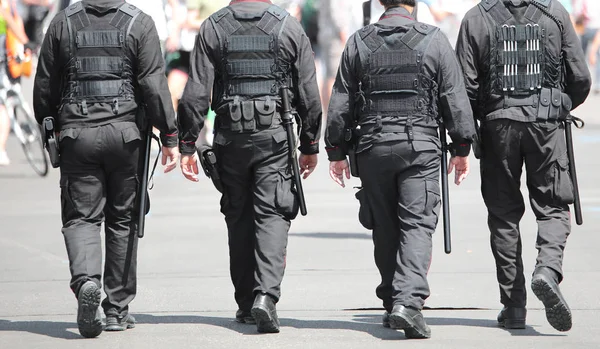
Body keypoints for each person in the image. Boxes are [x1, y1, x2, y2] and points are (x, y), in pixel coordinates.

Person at [325, 0, 475, 339]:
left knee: (385, 226)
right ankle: (407, 303)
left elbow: (341, 100)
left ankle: (394, 299)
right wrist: (462, 147)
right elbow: (454, 95)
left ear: (380, 2)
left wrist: (335, 150)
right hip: (420, 146)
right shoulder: (434, 38)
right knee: (418, 224)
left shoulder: (359, 41)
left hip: (373, 146)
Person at [33, 0, 180, 338]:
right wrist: (170, 135)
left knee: (81, 217)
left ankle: (86, 281)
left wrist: (50, 126)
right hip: (126, 136)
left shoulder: (63, 23)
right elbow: (154, 85)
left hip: (77, 135)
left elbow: (45, 85)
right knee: (124, 220)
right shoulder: (139, 23)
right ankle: (116, 310)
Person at [177, 0, 321, 334]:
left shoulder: (213, 27)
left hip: (231, 138)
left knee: (239, 216)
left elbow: (196, 92)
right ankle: (265, 297)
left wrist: (186, 143)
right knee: (272, 214)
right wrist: (310, 143)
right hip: (274, 137)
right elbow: (308, 91)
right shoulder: (287, 26)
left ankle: (245, 302)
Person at [456, 0, 591, 332]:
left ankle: (514, 307)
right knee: (554, 205)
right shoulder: (554, 13)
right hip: (546, 125)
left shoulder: (476, 18)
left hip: (497, 125)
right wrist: (556, 104)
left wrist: (474, 128)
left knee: (503, 214)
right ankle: (546, 269)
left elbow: (464, 88)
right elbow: (581, 78)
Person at [0, 0, 31, 166]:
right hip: (3, 51)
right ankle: (1, 149)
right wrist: (26, 43)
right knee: (3, 104)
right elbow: (10, 20)